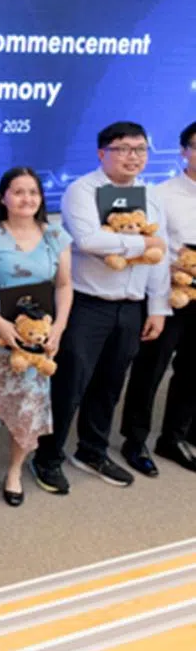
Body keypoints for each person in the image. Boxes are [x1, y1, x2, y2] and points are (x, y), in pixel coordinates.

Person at [32, 122, 170, 494]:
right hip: (88, 304)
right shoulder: (82, 191)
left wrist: (157, 307)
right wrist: (143, 243)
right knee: (69, 384)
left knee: (110, 385)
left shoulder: (151, 195)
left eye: (140, 149)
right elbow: (91, 240)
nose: (133, 157)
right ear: (101, 153)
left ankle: (91, 450)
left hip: (132, 306)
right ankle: (47, 457)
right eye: (123, 149)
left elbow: (162, 255)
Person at [0, 168, 72, 506]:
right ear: (2, 197)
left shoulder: (56, 236)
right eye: (19, 192)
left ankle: (13, 471)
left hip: (38, 340)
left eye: (33, 192)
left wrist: (58, 329)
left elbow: (65, 285)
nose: (27, 199)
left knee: (29, 405)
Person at [120, 120, 196, 475]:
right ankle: (134, 440)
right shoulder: (161, 195)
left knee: (193, 371)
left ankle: (175, 437)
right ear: (184, 151)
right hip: (170, 295)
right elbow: (153, 246)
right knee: (151, 369)